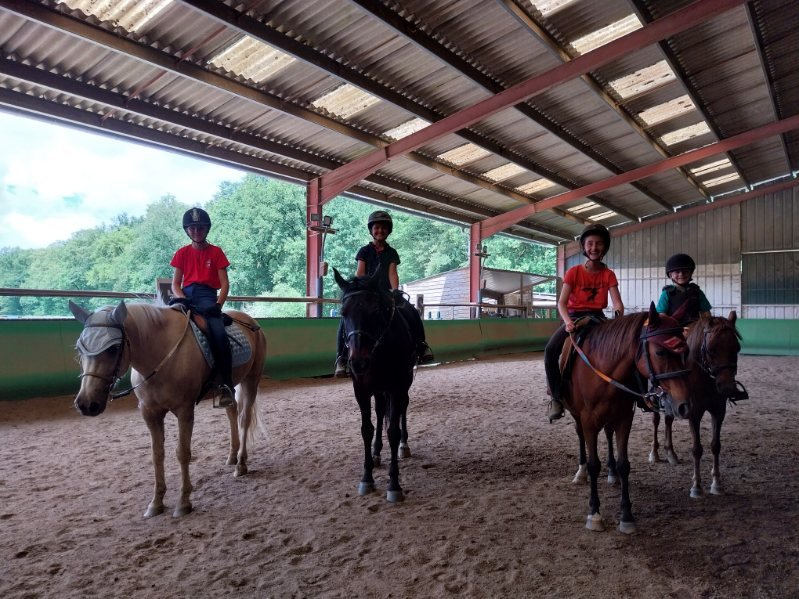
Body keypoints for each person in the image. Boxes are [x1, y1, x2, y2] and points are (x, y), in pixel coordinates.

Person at [334, 210, 434, 377]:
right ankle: (342, 357)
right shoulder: (364, 251)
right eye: (377, 227)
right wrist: (359, 290)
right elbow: (360, 272)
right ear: (371, 230)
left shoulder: (392, 252)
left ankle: (421, 345)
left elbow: (392, 273)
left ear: (388, 231)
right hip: (367, 293)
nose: (380, 231)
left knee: (410, 310)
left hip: (385, 293)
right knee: (347, 318)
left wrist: (395, 291)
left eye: (383, 228)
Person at [544, 223, 624, 423]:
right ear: (584, 247)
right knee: (550, 351)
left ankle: (638, 397)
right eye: (590, 244)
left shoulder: (608, 274)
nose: (594, 248)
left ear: (605, 247)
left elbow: (617, 302)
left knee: (625, 351)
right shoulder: (573, 272)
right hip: (574, 318)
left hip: (597, 318)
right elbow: (561, 303)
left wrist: (618, 315)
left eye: (598, 244)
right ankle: (556, 397)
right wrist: (568, 322)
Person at [170, 207, 235, 408]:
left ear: (206, 229)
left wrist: (218, 305)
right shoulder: (181, 253)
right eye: (192, 228)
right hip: (186, 297)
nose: (196, 231)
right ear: (187, 230)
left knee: (219, 334)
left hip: (208, 297)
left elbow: (225, 283)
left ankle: (226, 385)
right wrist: (182, 299)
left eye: (200, 227)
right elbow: (175, 284)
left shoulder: (216, 252)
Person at [656, 253, 712, 326]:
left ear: (690, 273)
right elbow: (661, 314)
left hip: (694, 329)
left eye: (685, 271)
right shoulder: (667, 293)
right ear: (670, 275)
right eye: (677, 272)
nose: (681, 274)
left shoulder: (697, 292)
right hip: (673, 329)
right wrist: (675, 327)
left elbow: (706, 313)